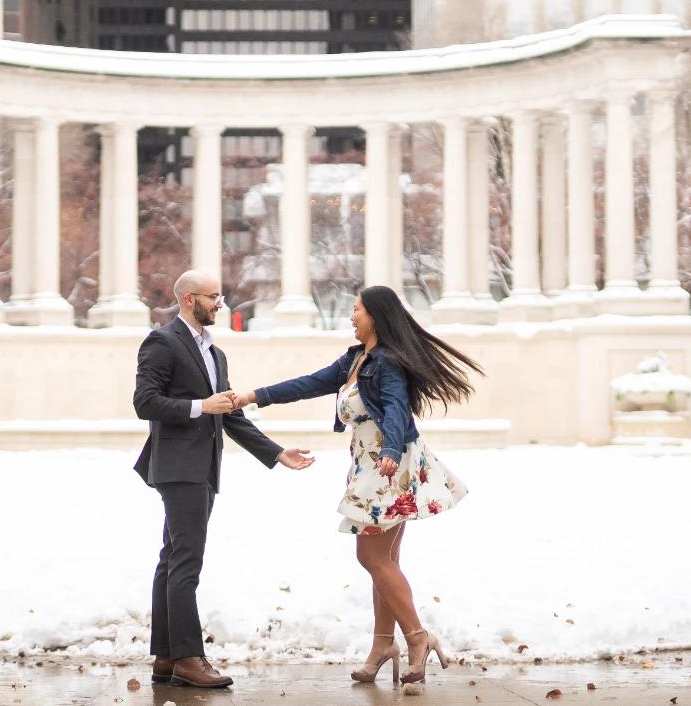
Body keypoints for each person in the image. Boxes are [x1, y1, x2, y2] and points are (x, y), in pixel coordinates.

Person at [231, 285, 483, 688]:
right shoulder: (356, 360)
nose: (351, 316)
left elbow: (398, 407)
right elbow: (308, 383)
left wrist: (391, 448)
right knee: (384, 561)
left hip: (387, 467)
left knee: (371, 555)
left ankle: (418, 637)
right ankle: (383, 646)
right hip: (369, 464)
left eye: (357, 310)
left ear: (376, 318)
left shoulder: (387, 363)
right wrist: (253, 396)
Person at [132, 269, 316, 690]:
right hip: (178, 468)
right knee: (186, 563)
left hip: (202, 469)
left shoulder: (215, 353)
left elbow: (229, 414)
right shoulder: (162, 341)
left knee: (172, 558)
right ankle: (187, 658)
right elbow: (145, 402)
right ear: (187, 299)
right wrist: (200, 405)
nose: (220, 303)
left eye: (220, 295)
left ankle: (165, 657)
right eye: (212, 297)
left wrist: (275, 452)